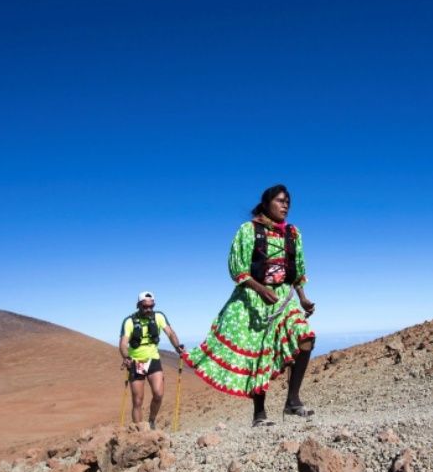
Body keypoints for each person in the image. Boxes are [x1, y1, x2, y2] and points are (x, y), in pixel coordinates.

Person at [183, 184, 316, 426]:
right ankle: (259, 414)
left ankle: (293, 400)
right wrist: (260, 289)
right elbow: (238, 269)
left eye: (288, 201)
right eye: (280, 200)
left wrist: (303, 297)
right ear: (266, 203)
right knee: (259, 353)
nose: (286, 205)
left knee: (305, 338)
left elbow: (296, 269)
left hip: (283, 298)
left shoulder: (293, 234)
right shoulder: (248, 230)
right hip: (253, 298)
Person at [119, 291, 184, 429]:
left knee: (159, 394)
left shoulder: (159, 317)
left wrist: (177, 346)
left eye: (151, 306)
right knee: (138, 400)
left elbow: (170, 332)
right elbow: (123, 343)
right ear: (138, 305)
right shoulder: (129, 321)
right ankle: (139, 432)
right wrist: (126, 357)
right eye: (145, 306)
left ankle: (151, 421)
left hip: (153, 360)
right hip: (137, 361)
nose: (148, 309)